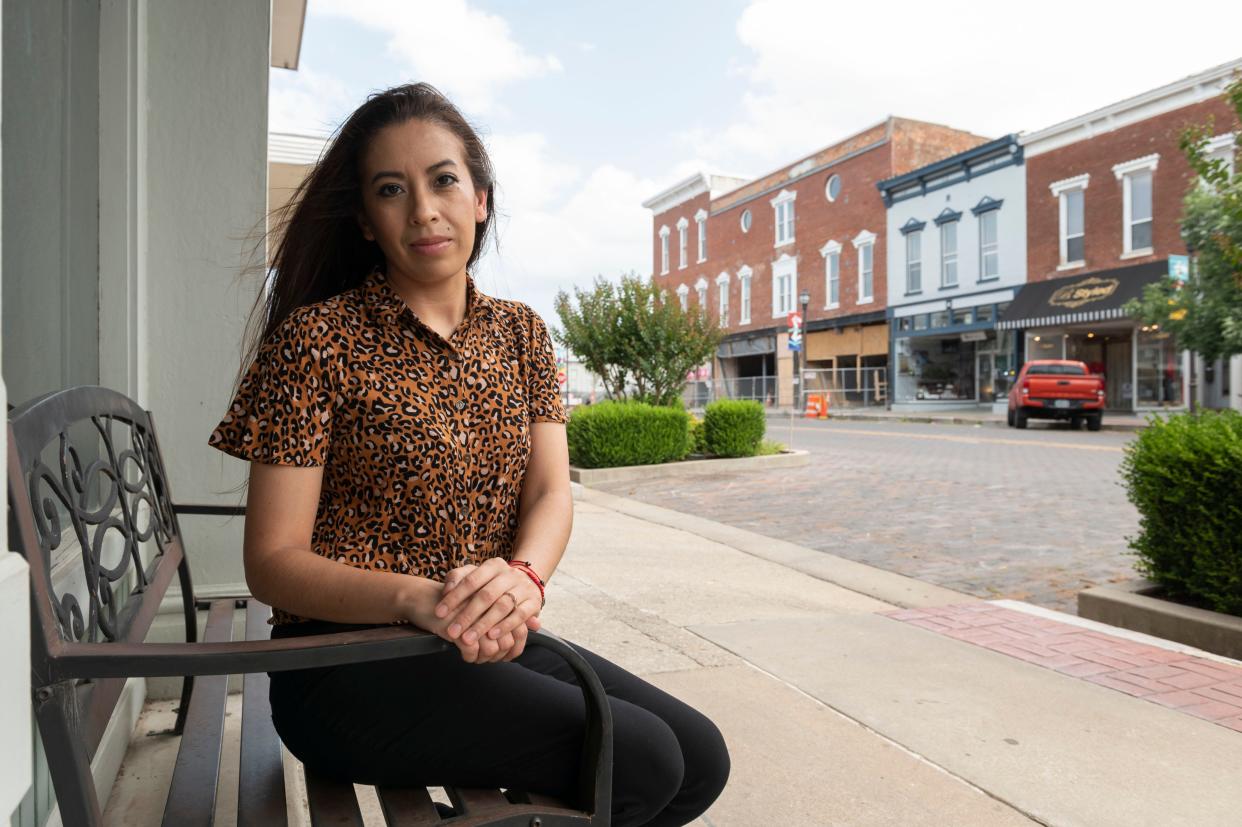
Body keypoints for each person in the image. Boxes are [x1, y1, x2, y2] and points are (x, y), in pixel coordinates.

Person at [208, 82, 728, 827]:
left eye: (443, 179)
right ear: (364, 218)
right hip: (344, 665)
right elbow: (272, 561)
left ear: (480, 197)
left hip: (478, 640)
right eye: (392, 189)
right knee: (642, 759)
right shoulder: (317, 341)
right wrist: (416, 597)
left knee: (698, 757)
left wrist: (523, 580)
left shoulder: (521, 334)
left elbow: (551, 492)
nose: (423, 209)